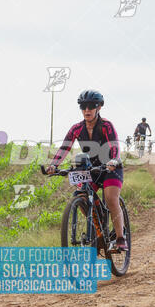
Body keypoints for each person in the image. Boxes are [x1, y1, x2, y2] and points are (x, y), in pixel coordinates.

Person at [46, 90, 128, 251]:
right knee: (82, 195)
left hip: (110, 168)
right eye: (83, 106)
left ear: (99, 108)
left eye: (91, 106)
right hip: (92, 169)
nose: (87, 110)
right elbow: (65, 147)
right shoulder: (76, 128)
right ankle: (98, 230)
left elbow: (114, 146)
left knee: (111, 199)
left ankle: (120, 237)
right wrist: (54, 165)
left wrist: (113, 160)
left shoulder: (106, 126)